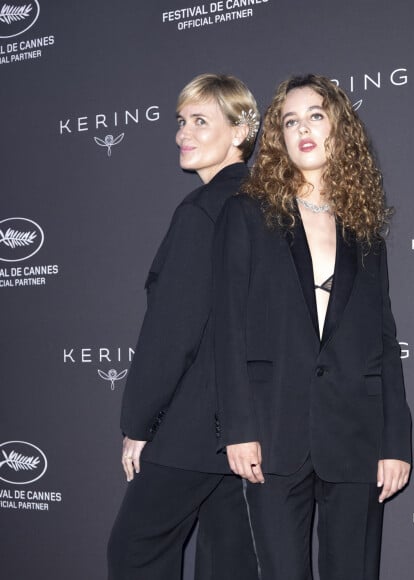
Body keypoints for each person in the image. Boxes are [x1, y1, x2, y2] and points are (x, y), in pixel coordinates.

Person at [213, 74, 412, 580]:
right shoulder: (248, 214)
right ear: (278, 136)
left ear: (338, 128)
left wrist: (395, 442)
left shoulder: (365, 230)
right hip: (274, 432)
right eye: (290, 120)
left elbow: (385, 343)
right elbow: (228, 327)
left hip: (354, 434)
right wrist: (238, 428)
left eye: (316, 116)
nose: (303, 128)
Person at [107, 73, 260, 580]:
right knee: (229, 563)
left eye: (199, 121)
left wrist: (139, 424)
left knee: (135, 551)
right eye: (181, 122)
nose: (182, 134)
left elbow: (173, 330)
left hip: (194, 427)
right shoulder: (267, 204)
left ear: (240, 132)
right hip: (250, 431)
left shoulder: (203, 211)